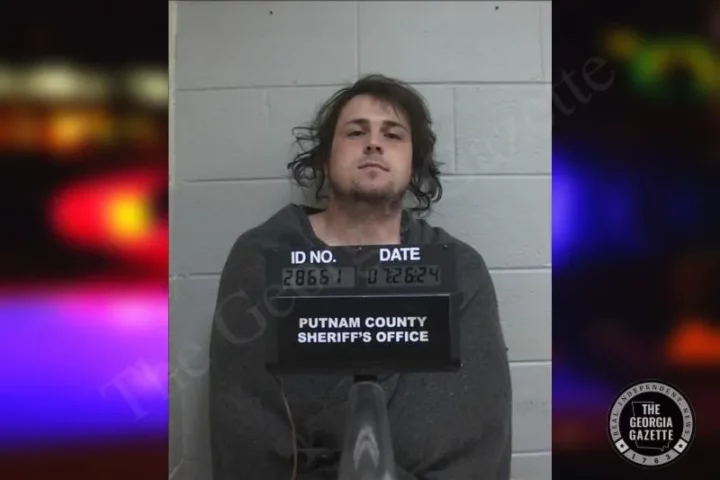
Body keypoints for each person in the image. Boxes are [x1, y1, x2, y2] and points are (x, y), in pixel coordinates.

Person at [209, 74, 512, 479]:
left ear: (413, 163)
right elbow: (242, 423)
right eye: (355, 132)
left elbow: (476, 432)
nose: (373, 144)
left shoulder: (460, 268)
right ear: (325, 156)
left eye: (393, 134)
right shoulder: (262, 257)